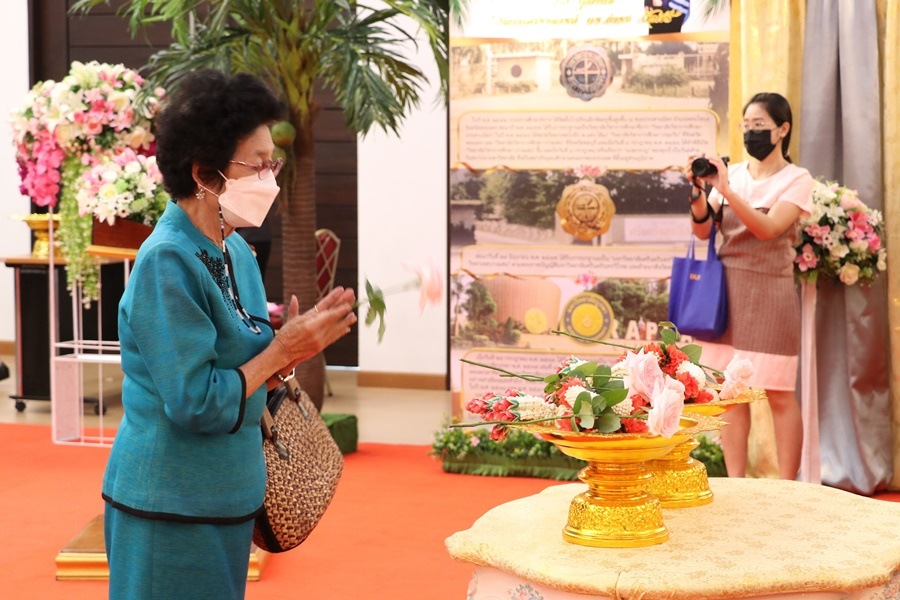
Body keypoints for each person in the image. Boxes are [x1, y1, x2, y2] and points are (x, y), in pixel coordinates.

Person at [102, 70, 357, 599]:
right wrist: (282, 349)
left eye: (273, 163)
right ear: (203, 173)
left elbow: (245, 370)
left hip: (229, 494)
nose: (270, 179)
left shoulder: (234, 247)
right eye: (257, 165)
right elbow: (196, 402)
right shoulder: (167, 260)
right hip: (171, 502)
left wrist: (289, 350)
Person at [684, 92, 814, 480]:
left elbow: (768, 229)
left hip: (772, 293)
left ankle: (789, 486)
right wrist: (698, 193)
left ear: (783, 129)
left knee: (779, 393)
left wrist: (726, 191)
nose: (751, 132)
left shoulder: (797, 178)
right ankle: (736, 482)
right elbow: (703, 231)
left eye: (760, 125)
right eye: (746, 125)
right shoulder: (733, 174)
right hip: (727, 294)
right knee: (731, 394)